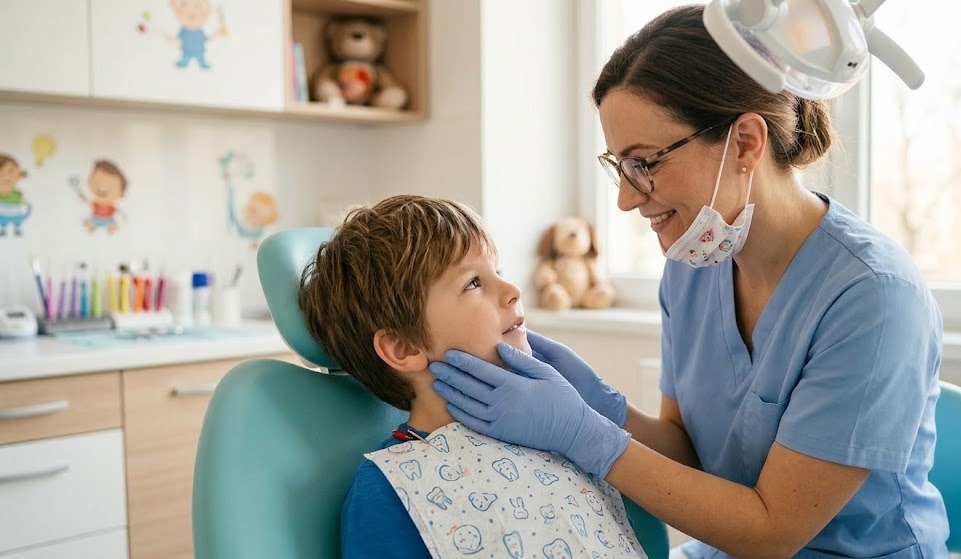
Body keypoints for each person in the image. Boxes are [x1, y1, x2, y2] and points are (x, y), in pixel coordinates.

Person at [430, 6, 947, 559]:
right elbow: (689, 452)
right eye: (619, 167)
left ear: (746, 142)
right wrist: (603, 407)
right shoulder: (693, 263)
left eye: (644, 162)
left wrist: (583, 435)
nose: (627, 198)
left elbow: (773, 532)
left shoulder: (874, 297)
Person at [298, 195, 647, 559]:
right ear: (403, 347)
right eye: (473, 283)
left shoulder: (556, 438)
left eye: (498, 271)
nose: (513, 291)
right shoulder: (393, 489)